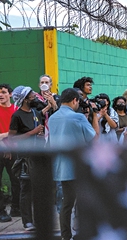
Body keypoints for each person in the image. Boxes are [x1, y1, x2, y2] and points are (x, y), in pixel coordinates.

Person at [48, 88, 99, 240]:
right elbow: (94, 138)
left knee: (66, 204)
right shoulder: (78, 117)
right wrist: (95, 116)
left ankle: (66, 236)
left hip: (61, 167)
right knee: (84, 202)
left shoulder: (52, 118)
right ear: (75, 100)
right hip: (79, 167)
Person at [8, 86, 46, 231]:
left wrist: (39, 135)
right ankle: (27, 222)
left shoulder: (35, 113)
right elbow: (12, 138)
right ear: (24, 99)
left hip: (38, 156)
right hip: (25, 158)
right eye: (31, 95)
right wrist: (32, 133)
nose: (34, 97)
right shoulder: (17, 116)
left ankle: (39, 220)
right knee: (26, 190)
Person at [0, 83, 20, 222]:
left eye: (3, 92)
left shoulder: (16, 110)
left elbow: (20, 132)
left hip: (14, 150)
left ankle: (16, 208)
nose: (1, 95)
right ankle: (1, 211)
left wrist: (5, 135)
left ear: (10, 94)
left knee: (17, 181)